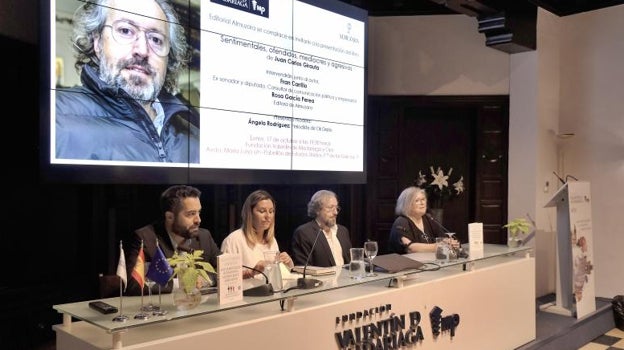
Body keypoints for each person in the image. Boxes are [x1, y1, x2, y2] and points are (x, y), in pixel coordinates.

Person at [55, 0, 199, 162]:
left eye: (156, 40)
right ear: (98, 42)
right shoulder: (55, 118)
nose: (143, 50)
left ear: (168, 59)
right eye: (125, 30)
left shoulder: (195, 137)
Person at [125, 185, 221, 295]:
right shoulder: (145, 239)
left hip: (200, 306)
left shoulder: (204, 236)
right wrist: (183, 284)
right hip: (163, 309)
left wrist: (204, 280)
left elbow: (222, 269)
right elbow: (134, 284)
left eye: (199, 212)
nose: (198, 220)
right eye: (191, 214)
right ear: (170, 217)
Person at [221, 190, 294, 282]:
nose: (268, 216)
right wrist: (251, 272)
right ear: (249, 213)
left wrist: (288, 264)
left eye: (271, 211)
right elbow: (225, 279)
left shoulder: (272, 241)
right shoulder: (234, 240)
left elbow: (276, 276)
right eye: (262, 211)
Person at [291, 190, 352, 267]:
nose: (335, 212)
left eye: (336, 208)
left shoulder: (343, 231)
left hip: (346, 278)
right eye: (330, 208)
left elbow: (350, 262)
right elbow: (304, 268)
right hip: (320, 279)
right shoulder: (304, 233)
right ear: (317, 210)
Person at [387, 186, 457, 254]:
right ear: (407, 205)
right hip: (404, 263)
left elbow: (442, 238)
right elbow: (410, 248)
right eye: (417, 200)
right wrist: (439, 246)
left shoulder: (428, 218)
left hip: (429, 261)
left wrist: (449, 242)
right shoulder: (401, 222)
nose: (422, 203)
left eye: (423, 199)